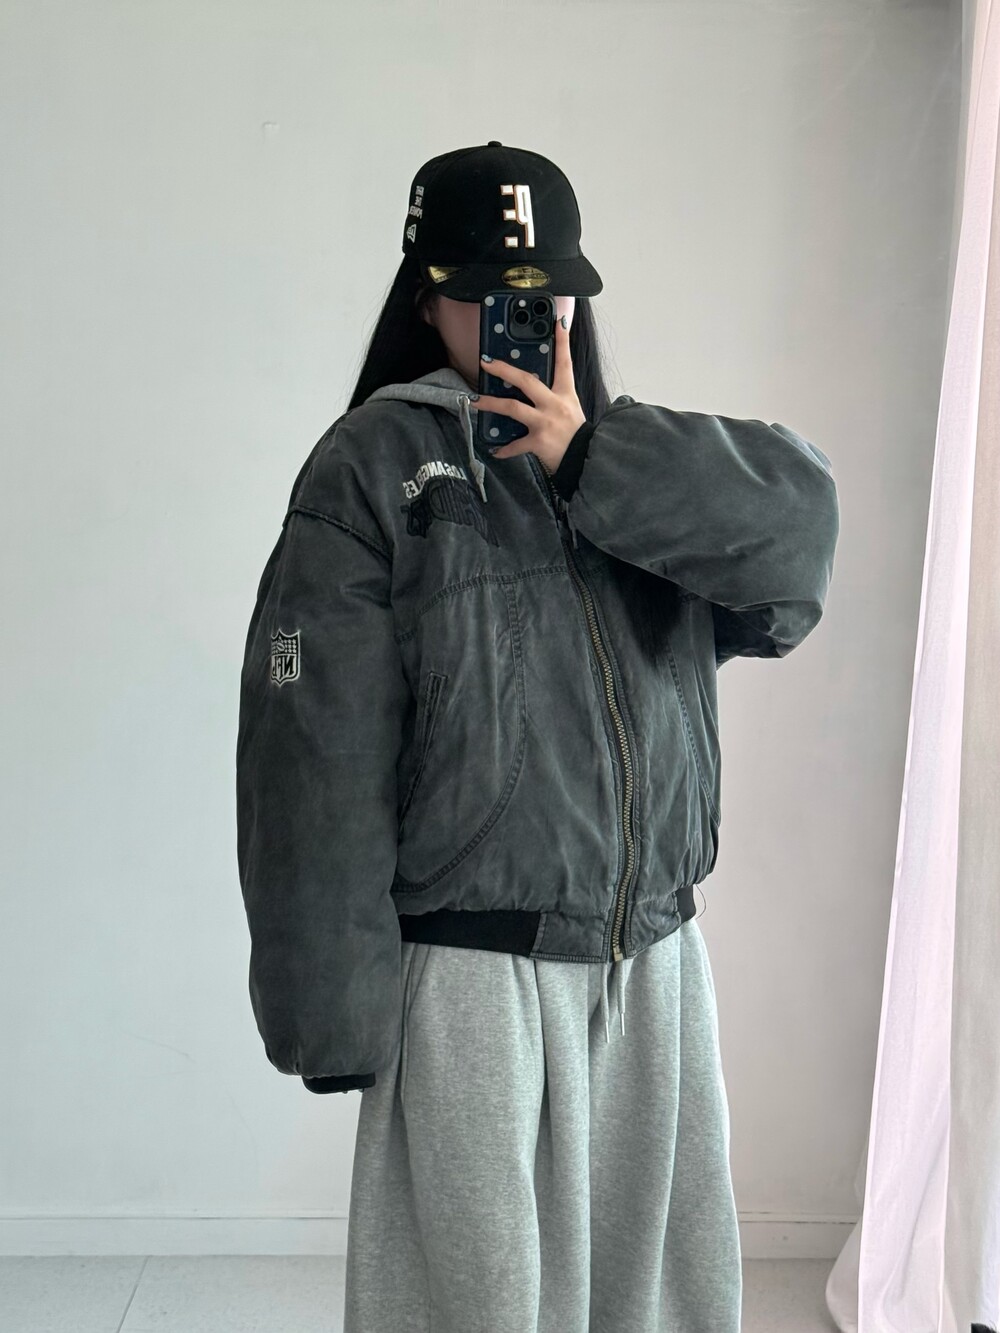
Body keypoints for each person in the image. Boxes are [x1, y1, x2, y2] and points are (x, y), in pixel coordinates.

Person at [235, 141, 841, 1333]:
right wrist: (329, 1006)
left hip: (655, 964)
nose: (522, 318)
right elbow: (311, 751)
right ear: (427, 300)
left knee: (654, 1301)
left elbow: (796, 548)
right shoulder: (370, 470)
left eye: (545, 293)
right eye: (484, 295)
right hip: (473, 975)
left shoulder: (633, 468)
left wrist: (592, 460)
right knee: (480, 1301)